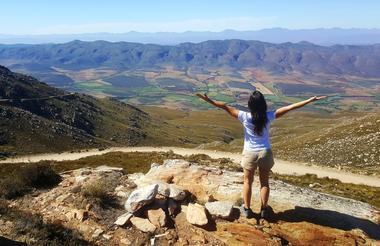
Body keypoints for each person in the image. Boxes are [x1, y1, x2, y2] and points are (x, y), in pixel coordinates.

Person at [196, 91, 326, 219]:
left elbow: (223, 106)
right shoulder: (269, 116)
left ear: (250, 104)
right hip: (265, 152)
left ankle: (247, 209)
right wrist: (309, 100)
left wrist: (209, 100)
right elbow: (290, 107)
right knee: (264, 183)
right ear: (263, 104)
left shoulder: (244, 116)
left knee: (247, 182)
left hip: (249, 153)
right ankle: (264, 209)